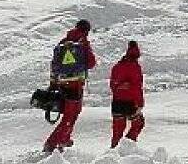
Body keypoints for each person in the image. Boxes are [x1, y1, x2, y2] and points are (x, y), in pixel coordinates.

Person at [44, 20, 97, 153]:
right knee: (71, 115)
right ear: (86, 31)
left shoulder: (63, 42)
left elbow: (54, 64)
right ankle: (53, 143)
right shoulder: (82, 42)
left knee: (70, 114)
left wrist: (53, 83)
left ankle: (64, 138)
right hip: (75, 85)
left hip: (62, 84)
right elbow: (91, 63)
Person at [109, 41, 145, 148]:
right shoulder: (135, 67)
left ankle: (114, 149)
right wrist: (140, 103)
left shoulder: (117, 66)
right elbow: (137, 88)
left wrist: (120, 89)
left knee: (117, 131)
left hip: (117, 102)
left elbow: (112, 85)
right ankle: (127, 146)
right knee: (138, 123)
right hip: (130, 103)